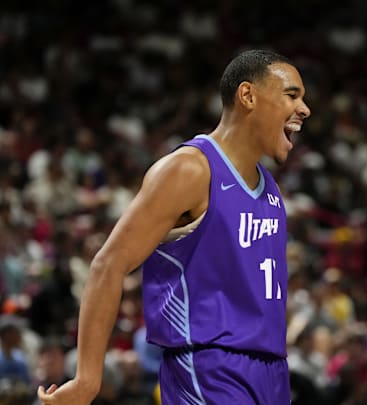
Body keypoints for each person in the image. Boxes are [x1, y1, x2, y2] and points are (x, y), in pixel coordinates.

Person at [37, 49, 311, 404]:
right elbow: (109, 263)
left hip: (271, 371)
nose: (305, 109)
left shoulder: (269, 187)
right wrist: (88, 379)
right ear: (248, 96)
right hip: (208, 368)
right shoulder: (190, 169)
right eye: (292, 95)